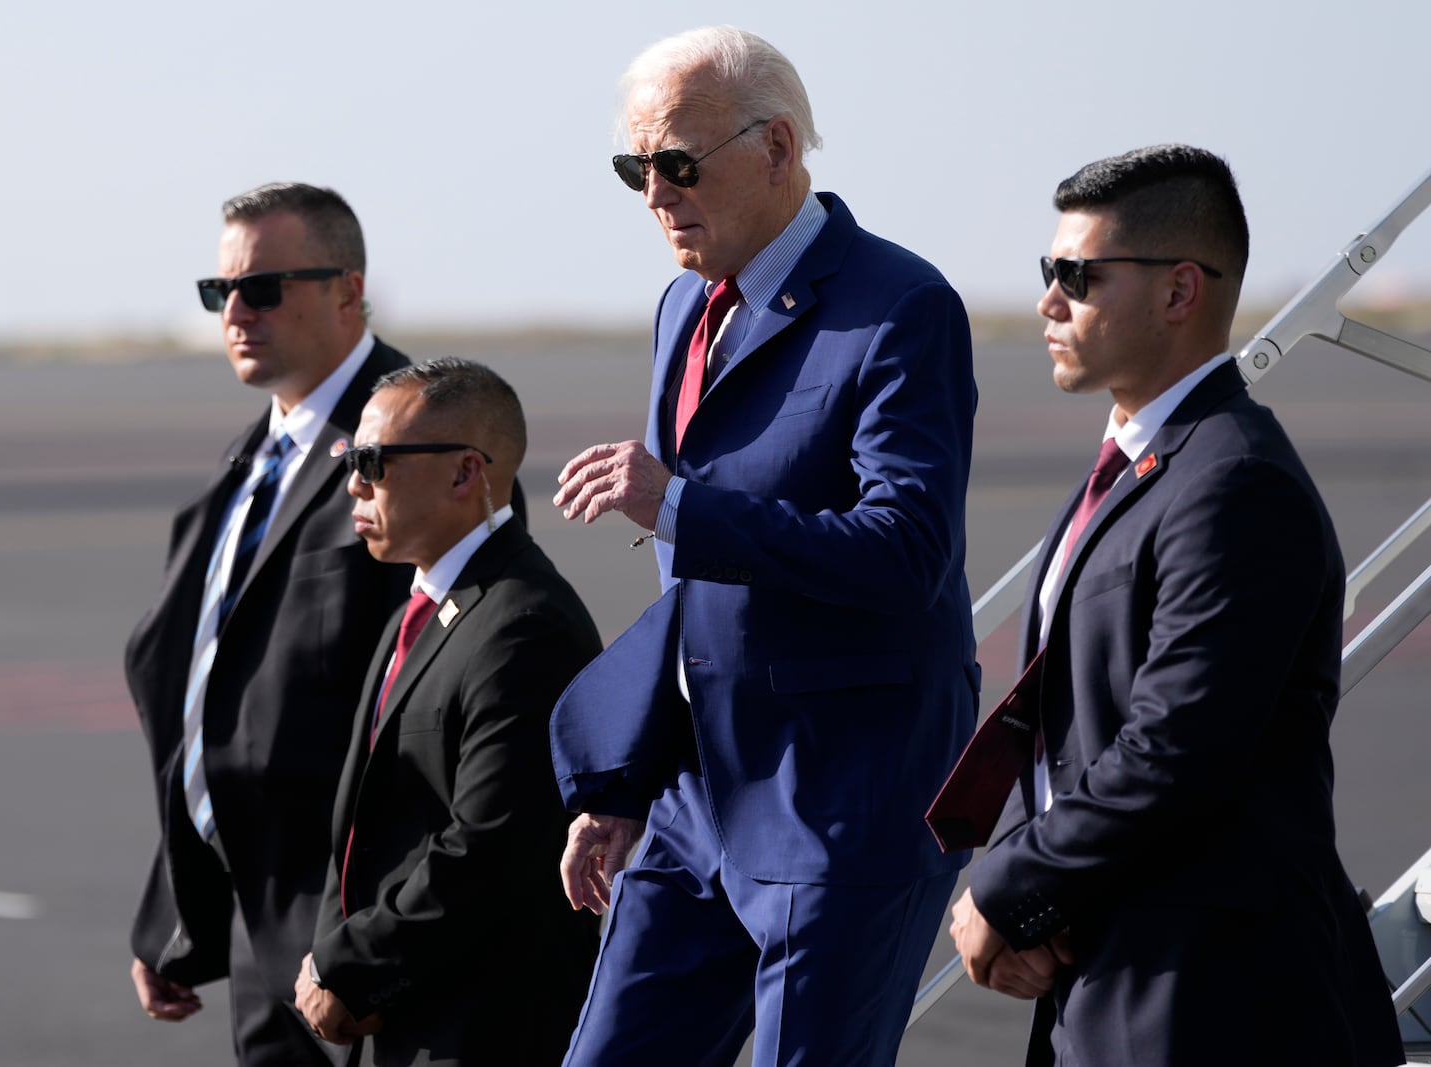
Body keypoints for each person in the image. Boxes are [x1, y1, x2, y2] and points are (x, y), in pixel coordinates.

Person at [549, 25, 979, 1066]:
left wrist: (682, 506)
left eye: (678, 164)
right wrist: (625, 778)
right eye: (633, 167)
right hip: (697, 795)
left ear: (778, 147)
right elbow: (698, 592)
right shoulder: (683, 306)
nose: (655, 193)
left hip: (841, 800)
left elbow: (905, 547)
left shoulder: (898, 307)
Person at [948, 145, 1405, 1066]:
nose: (1048, 301)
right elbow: (1068, 725)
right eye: (1050, 272)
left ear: (1179, 292)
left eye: (1077, 276)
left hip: (1216, 997)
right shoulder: (1141, 469)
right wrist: (1027, 891)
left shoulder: (1235, 481)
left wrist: (1007, 885)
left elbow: (1178, 746)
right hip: (1113, 965)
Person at [127, 182, 413, 1066]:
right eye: (222, 294)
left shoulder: (418, 440)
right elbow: (210, 699)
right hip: (258, 918)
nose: (236, 313)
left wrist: (371, 931)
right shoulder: (254, 457)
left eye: (263, 288)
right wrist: (179, 905)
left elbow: (445, 701)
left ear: (347, 292)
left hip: (359, 924)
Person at [295, 358, 602, 1066]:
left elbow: (491, 845)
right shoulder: (429, 607)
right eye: (350, 458)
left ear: (466, 473)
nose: (353, 483)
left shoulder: (525, 623)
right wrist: (333, 960)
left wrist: (350, 966)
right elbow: (363, 828)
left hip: (483, 1029)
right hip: (406, 1015)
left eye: (373, 461)